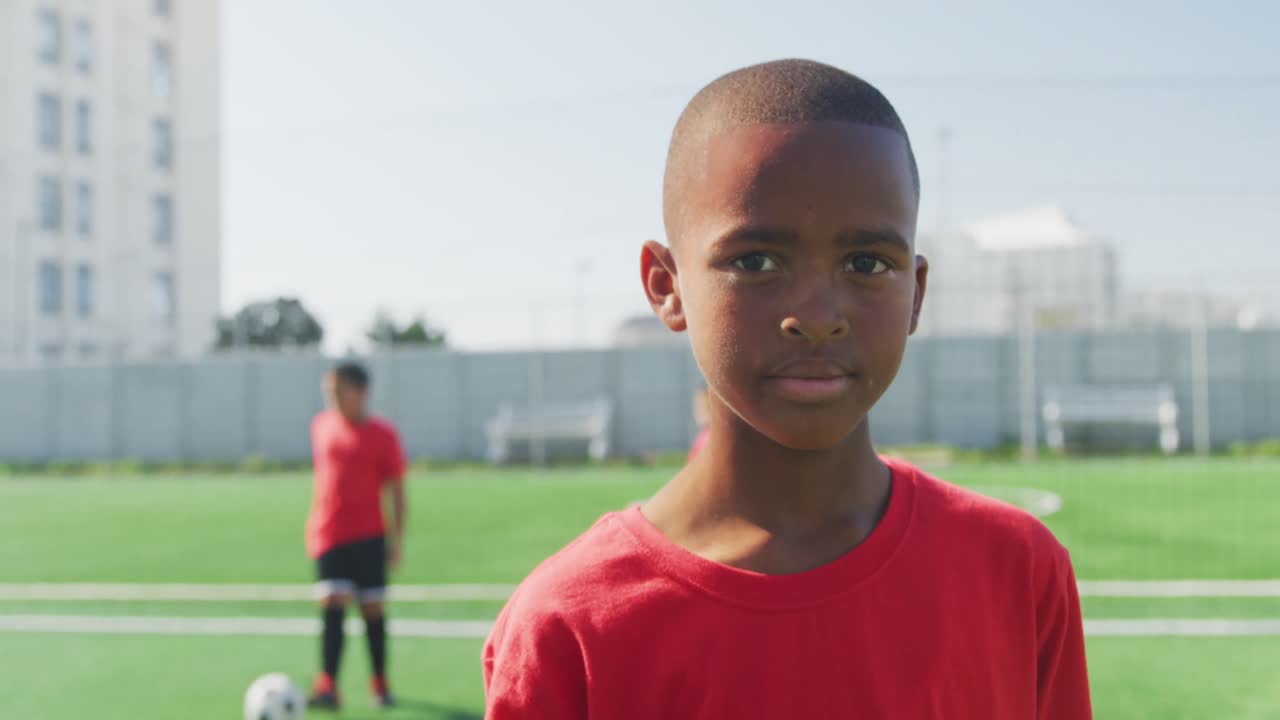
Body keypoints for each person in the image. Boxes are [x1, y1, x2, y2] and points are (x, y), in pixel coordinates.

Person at [482, 59, 1091, 718]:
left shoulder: (1018, 570)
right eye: (756, 261)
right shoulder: (568, 626)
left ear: (916, 294)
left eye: (866, 263)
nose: (817, 315)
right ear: (666, 285)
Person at [306, 362, 407, 710]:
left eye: (339, 391)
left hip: (369, 536)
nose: (332, 398)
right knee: (332, 606)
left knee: (372, 610)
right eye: (329, 392)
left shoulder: (383, 435)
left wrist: (396, 540)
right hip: (329, 535)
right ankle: (328, 685)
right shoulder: (321, 426)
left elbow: (397, 491)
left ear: (361, 392)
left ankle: (380, 682)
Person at [687, 388, 711, 462]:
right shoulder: (703, 435)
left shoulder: (710, 437)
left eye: (706, 407)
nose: (700, 412)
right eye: (698, 407)